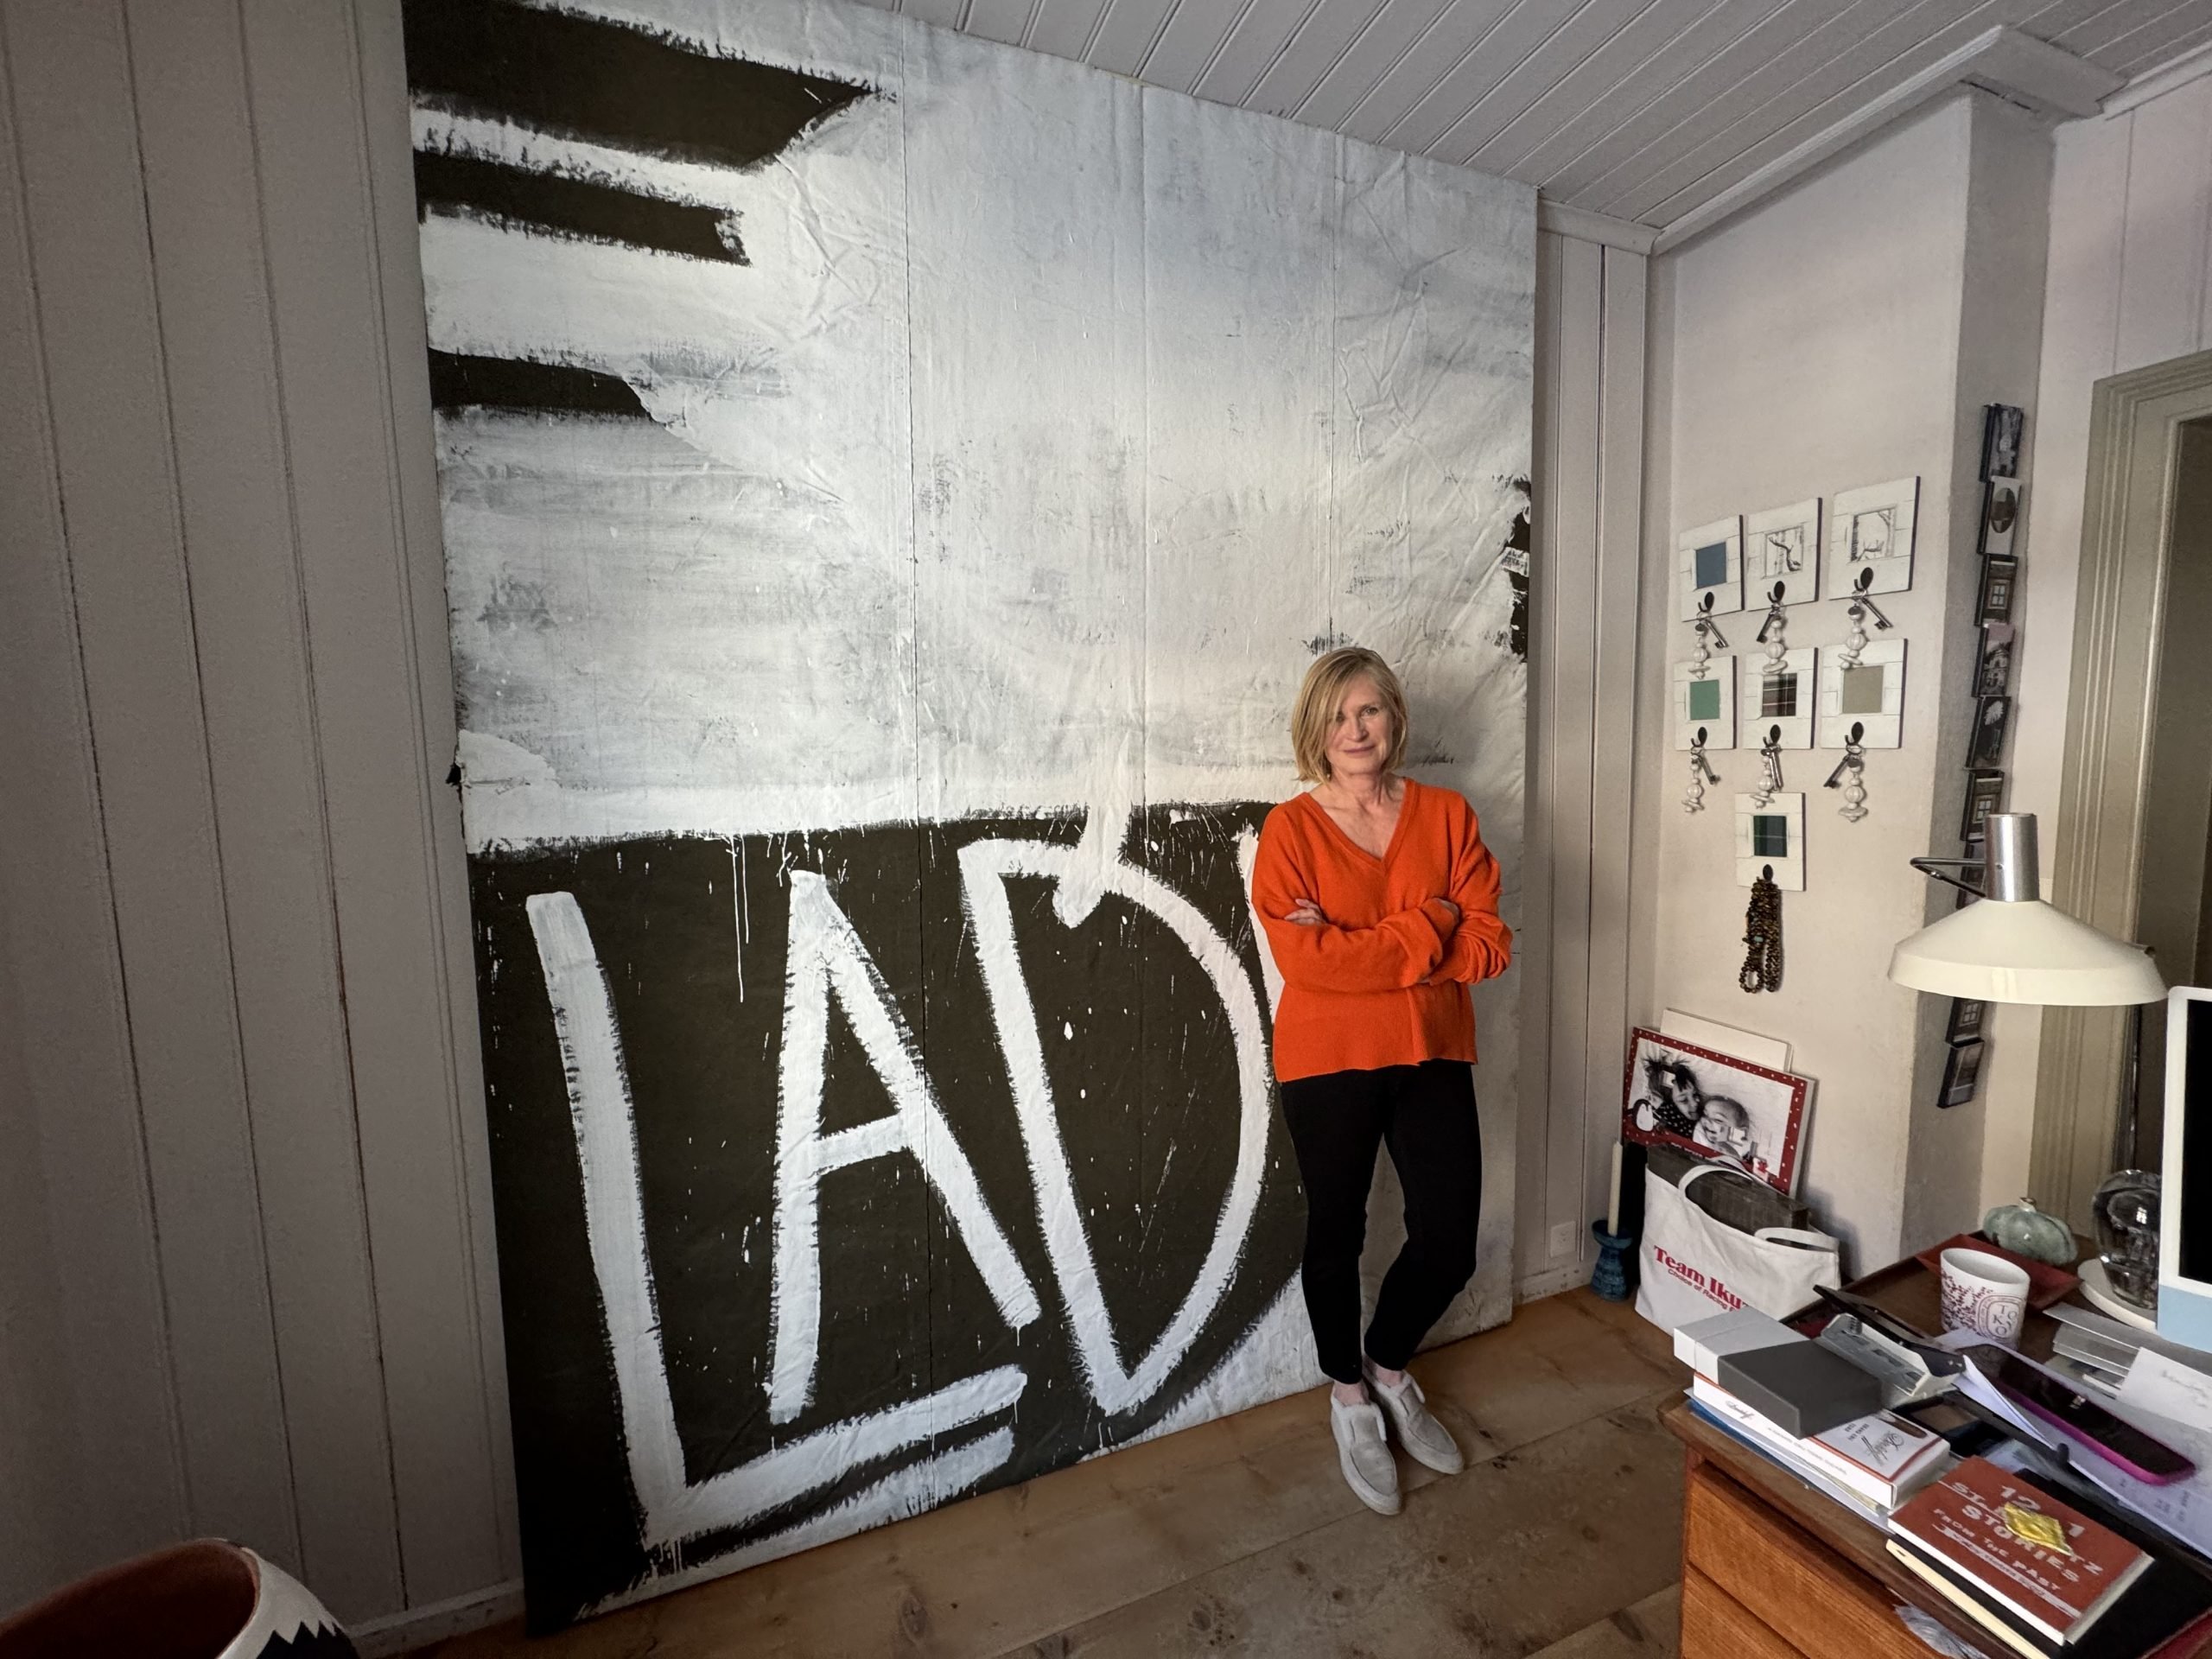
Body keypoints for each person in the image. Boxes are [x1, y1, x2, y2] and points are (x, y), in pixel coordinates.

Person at [1249, 646, 1513, 1516]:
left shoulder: (1444, 815)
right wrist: (1429, 924)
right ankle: (1348, 1397)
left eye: (1367, 711)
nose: (1354, 729)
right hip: (1325, 1060)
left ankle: (1389, 1365)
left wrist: (1386, 947)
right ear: (1314, 732)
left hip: (1432, 1051)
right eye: (1337, 716)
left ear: (1392, 717)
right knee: (1336, 1230)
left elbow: (1489, 945)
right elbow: (1312, 967)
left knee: (1447, 1239)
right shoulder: (1289, 831)